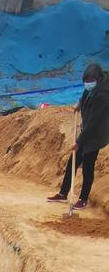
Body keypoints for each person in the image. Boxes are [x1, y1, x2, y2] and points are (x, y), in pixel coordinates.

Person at [48, 63, 109, 209]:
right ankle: (63, 194)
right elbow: (85, 94)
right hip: (88, 128)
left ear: (98, 80)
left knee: (88, 165)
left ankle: (83, 199)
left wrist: (78, 142)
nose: (87, 85)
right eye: (86, 82)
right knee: (73, 161)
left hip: (96, 133)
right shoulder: (93, 86)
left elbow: (93, 122)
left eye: (90, 82)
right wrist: (79, 103)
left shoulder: (103, 95)